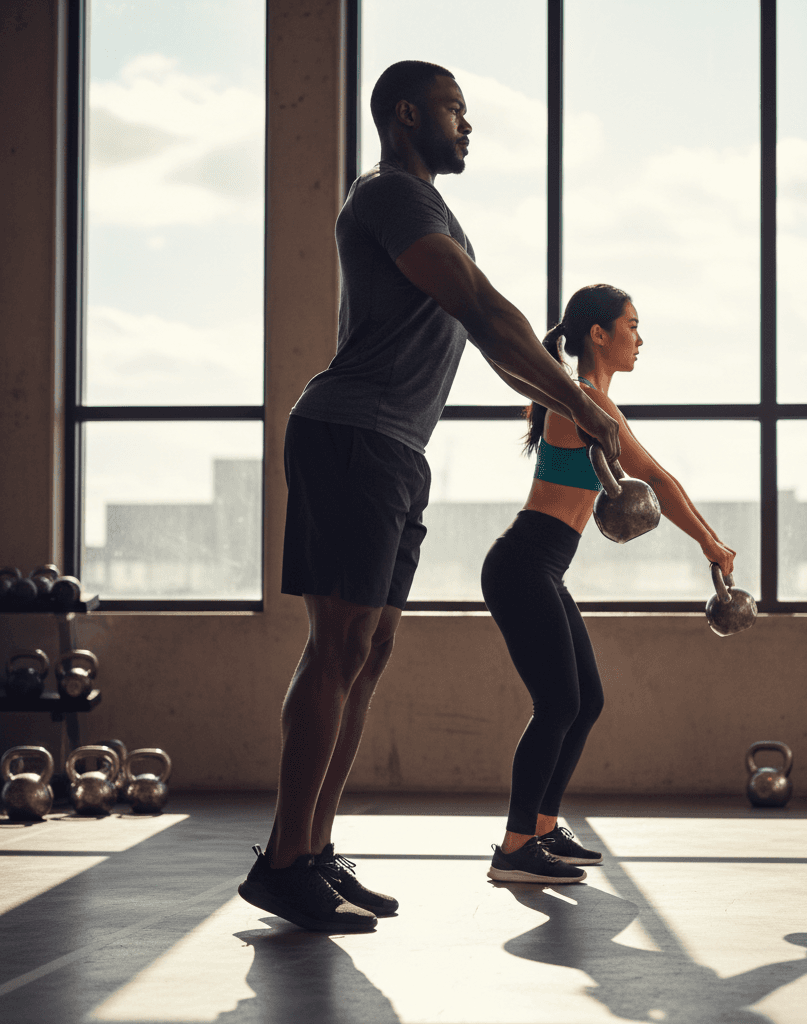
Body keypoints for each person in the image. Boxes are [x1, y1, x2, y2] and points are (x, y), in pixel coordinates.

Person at [237, 61, 621, 932]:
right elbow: (483, 310)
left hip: (397, 449)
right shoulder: (391, 198)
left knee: (366, 654)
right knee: (336, 648)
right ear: (406, 114)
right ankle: (285, 860)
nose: (467, 124)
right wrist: (578, 402)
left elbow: (486, 340)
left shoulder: (434, 212)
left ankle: (314, 850)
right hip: (352, 434)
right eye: (455, 109)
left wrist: (570, 402)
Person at [482, 284, 736, 884]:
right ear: (599, 335)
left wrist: (710, 540)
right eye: (631, 325)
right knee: (559, 703)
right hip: (522, 564)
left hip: (541, 567)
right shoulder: (581, 402)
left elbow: (655, 479)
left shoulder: (590, 404)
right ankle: (515, 847)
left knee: (584, 700)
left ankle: (543, 829)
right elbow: (658, 478)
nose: (639, 338)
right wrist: (709, 544)